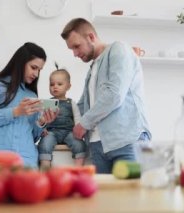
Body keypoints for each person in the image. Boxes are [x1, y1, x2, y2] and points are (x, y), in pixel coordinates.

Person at [60, 18, 152, 173]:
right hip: (97, 147)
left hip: (126, 142)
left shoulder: (119, 49)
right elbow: (82, 105)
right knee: (104, 197)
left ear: (91, 37)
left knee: (132, 196)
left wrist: (83, 124)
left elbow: (114, 94)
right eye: (71, 50)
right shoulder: (92, 69)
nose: (75, 54)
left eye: (76, 46)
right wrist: (57, 115)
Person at [0, 42, 57, 168]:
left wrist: (42, 122)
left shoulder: (32, 95)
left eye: (39, 70)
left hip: (25, 162)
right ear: (21, 62)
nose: (36, 74)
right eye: (33, 67)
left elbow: (32, 136)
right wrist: (15, 112)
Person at [38, 67, 87, 169]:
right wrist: (43, 129)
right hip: (52, 132)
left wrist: (78, 130)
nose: (55, 87)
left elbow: (77, 117)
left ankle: (78, 168)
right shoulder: (47, 103)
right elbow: (41, 119)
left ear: (68, 86)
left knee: (79, 144)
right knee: (44, 143)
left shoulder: (71, 103)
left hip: (69, 132)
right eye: (52, 84)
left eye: (59, 84)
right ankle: (45, 167)